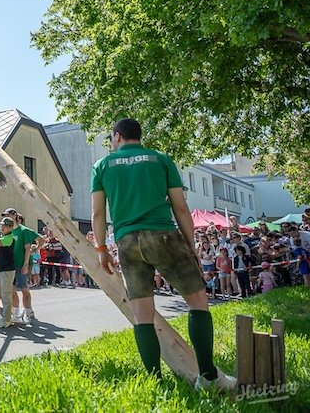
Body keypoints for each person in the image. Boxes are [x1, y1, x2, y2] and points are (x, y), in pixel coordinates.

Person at [91, 118, 236, 391]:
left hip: (127, 241)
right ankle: (208, 377)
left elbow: (98, 213)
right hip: (164, 236)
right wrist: (191, 245)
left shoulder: (102, 165)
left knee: (142, 315)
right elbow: (180, 207)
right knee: (198, 303)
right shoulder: (161, 159)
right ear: (138, 136)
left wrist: (101, 248)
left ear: (117, 136)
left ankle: (154, 382)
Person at [2, 208, 37, 323]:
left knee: (24, 289)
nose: (6, 218)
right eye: (4, 216)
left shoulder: (23, 230)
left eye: (7, 215)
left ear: (14, 215)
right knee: (12, 289)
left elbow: (28, 248)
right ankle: (16, 313)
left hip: (21, 264)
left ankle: (28, 311)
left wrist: (26, 264)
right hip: (10, 265)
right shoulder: (8, 231)